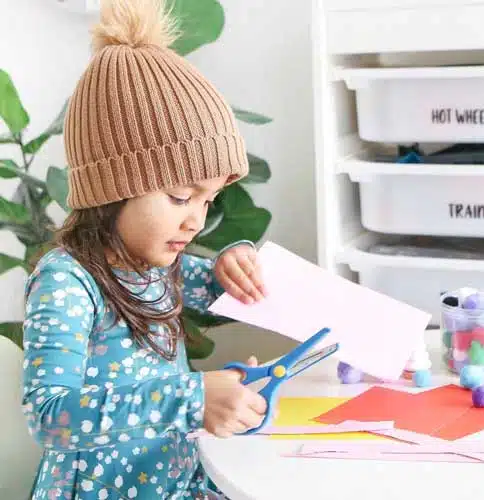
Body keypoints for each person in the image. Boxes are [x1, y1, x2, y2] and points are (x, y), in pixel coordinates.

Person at [21, 0, 268, 498]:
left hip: (179, 484)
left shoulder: (158, 265)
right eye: (181, 196)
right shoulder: (67, 282)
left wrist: (234, 256)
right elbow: (49, 417)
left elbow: (232, 288)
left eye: (209, 199)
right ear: (115, 186)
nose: (196, 219)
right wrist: (189, 398)